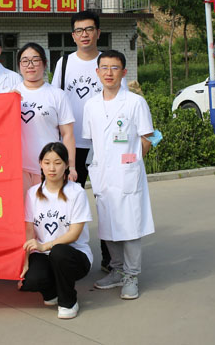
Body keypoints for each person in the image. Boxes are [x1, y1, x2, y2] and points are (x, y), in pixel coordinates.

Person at [51, 11, 126, 271]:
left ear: (98, 33)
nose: (84, 35)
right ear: (73, 35)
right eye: (79, 30)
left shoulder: (109, 62)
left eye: (89, 29)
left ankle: (111, 259)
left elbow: (123, 103)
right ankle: (66, 254)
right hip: (72, 146)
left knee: (108, 203)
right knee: (67, 202)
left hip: (104, 146)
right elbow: (54, 101)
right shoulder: (64, 63)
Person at [83, 50, 154, 301]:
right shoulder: (91, 105)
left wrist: (131, 161)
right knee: (108, 226)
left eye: (115, 68)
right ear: (97, 72)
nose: (109, 73)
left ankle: (131, 276)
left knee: (130, 227)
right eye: (104, 68)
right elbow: (93, 141)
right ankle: (117, 270)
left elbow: (149, 137)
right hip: (103, 174)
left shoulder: (135, 102)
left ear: (123, 72)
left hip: (127, 173)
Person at [19, 142, 93, 320]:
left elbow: (74, 234)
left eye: (58, 163)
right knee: (31, 280)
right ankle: (51, 292)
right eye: (47, 162)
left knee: (58, 252)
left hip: (73, 255)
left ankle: (68, 302)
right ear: (40, 164)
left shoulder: (76, 192)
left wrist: (45, 246)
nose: (52, 168)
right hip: (44, 254)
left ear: (66, 165)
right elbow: (29, 229)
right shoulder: (32, 193)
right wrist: (25, 260)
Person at [15, 43, 76, 196]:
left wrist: (70, 167)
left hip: (49, 168)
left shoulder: (57, 95)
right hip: (18, 169)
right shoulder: (11, 95)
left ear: (44, 64)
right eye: (25, 61)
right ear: (19, 66)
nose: (30, 65)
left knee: (48, 208)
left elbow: (67, 134)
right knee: (22, 210)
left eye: (35, 60)